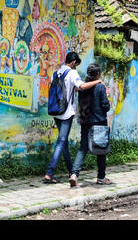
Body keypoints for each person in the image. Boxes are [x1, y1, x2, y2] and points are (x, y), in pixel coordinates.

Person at [43, 52, 103, 184]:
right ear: (74, 62)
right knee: (61, 141)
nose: (76, 67)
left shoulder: (56, 73)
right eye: (76, 64)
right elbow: (81, 86)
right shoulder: (72, 72)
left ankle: (71, 171)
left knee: (63, 142)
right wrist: (97, 81)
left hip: (56, 111)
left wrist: (73, 89)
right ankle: (49, 172)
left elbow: (65, 88)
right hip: (66, 113)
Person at [69, 63, 111, 187]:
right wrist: (107, 98)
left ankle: (74, 175)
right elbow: (106, 107)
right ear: (98, 74)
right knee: (101, 149)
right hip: (99, 122)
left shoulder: (83, 87)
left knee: (83, 148)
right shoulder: (100, 87)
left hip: (85, 122)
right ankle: (101, 178)